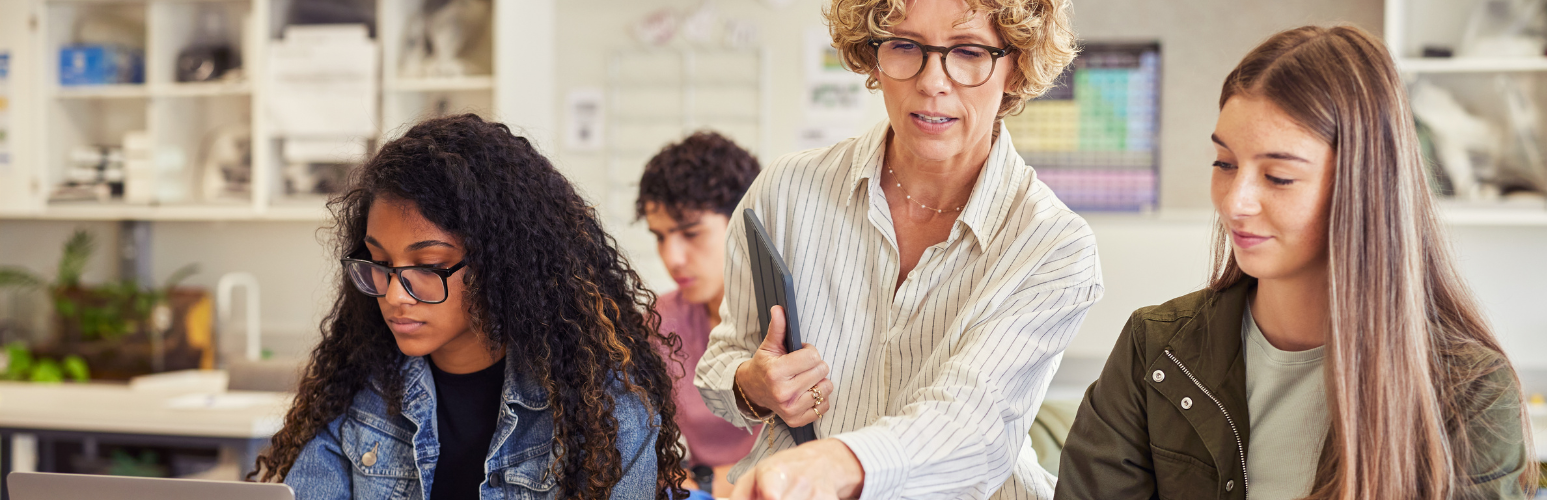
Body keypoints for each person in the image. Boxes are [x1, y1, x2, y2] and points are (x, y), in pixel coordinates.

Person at [1055, 26, 1536, 500]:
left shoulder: (1469, 394)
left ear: (1364, 185)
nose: (1235, 201)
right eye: (1224, 163)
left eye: (1279, 176)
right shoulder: (1154, 350)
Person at [694, 0, 1101, 497]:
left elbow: (973, 422)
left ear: (1015, 64)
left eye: (968, 50)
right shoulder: (787, 191)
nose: (932, 81)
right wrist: (754, 386)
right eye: (906, 46)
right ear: (873, 53)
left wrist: (838, 463)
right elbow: (724, 362)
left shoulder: (1053, 245)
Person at [248, 114, 690, 500]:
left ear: (502, 266)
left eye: (429, 266)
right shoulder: (355, 392)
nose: (395, 295)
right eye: (380, 264)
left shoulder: (604, 410)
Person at [636, 131, 764, 497]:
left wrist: (705, 483)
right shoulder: (660, 321)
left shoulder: (795, 315)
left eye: (690, 233)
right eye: (660, 236)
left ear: (743, 225)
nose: (672, 257)